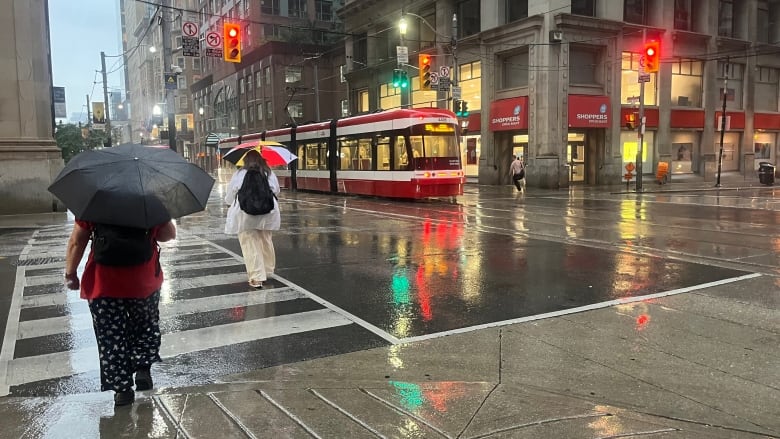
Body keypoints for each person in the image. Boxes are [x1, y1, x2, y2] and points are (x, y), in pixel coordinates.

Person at [64, 219, 177, 407]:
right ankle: (142, 369)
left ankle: (122, 390)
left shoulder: (96, 202)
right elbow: (169, 234)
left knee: (110, 336)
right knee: (145, 325)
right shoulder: (149, 199)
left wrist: (71, 273)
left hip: (104, 282)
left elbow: (77, 240)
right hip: (143, 280)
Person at [224, 149, 281, 288]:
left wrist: (229, 203)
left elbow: (230, 195)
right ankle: (267, 271)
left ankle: (257, 276)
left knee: (250, 244)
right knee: (266, 241)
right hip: (268, 213)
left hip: (245, 215)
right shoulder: (269, 173)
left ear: (245, 161)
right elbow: (276, 190)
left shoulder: (239, 173)